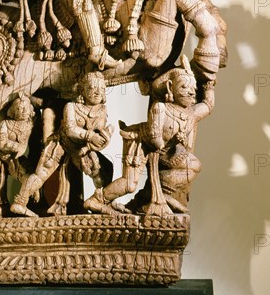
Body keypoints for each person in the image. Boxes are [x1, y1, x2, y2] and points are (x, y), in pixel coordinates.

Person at [84, 56, 215, 214]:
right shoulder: (160, 108)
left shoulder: (190, 113)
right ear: (170, 87)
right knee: (129, 184)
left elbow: (208, 106)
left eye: (193, 89)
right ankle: (97, 200)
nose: (191, 92)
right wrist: (174, 141)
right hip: (140, 144)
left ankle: (160, 194)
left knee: (194, 166)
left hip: (166, 151)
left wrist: (209, 85)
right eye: (184, 87)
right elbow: (155, 138)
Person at [10, 71, 113, 217]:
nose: (97, 92)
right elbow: (70, 129)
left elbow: (99, 134)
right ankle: (20, 202)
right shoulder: (71, 106)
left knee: (103, 170)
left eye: (101, 89)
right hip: (60, 144)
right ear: (82, 90)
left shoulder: (102, 110)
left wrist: (104, 139)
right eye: (92, 88)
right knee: (41, 175)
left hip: (80, 148)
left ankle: (101, 200)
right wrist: (91, 136)